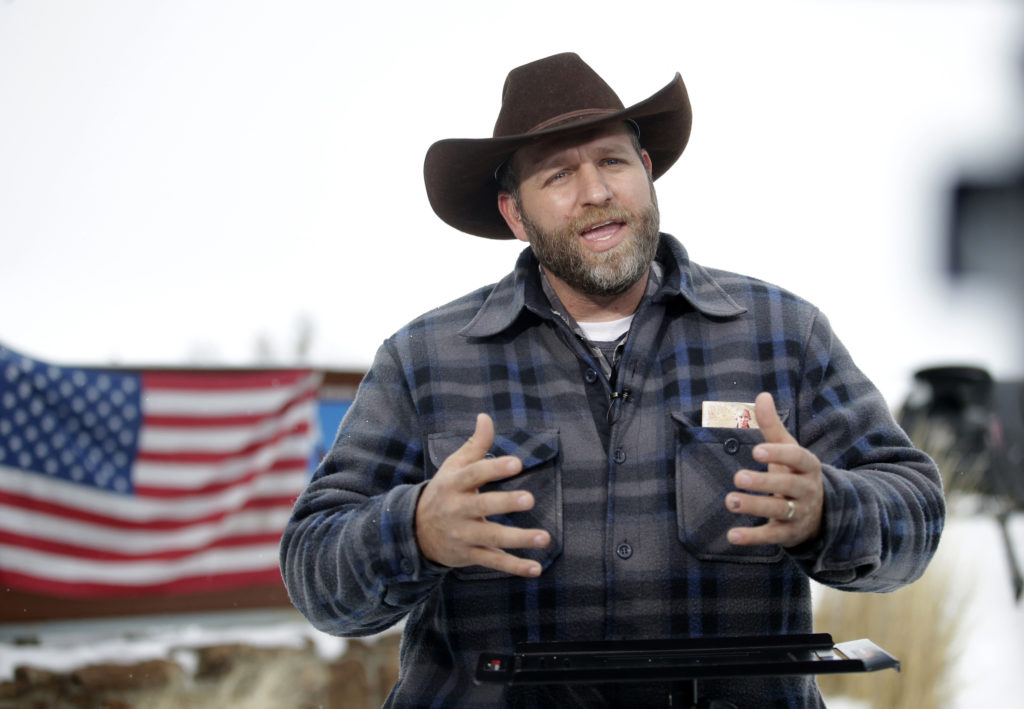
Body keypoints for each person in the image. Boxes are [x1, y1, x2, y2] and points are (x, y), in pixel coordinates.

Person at [280, 53, 945, 708]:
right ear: (516, 215)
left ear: (647, 173)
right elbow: (315, 569)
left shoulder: (783, 334)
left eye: (613, 161)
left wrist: (830, 509)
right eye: (559, 174)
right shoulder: (422, 359)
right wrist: (417, 531)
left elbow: (915, 508)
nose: (596, 190)